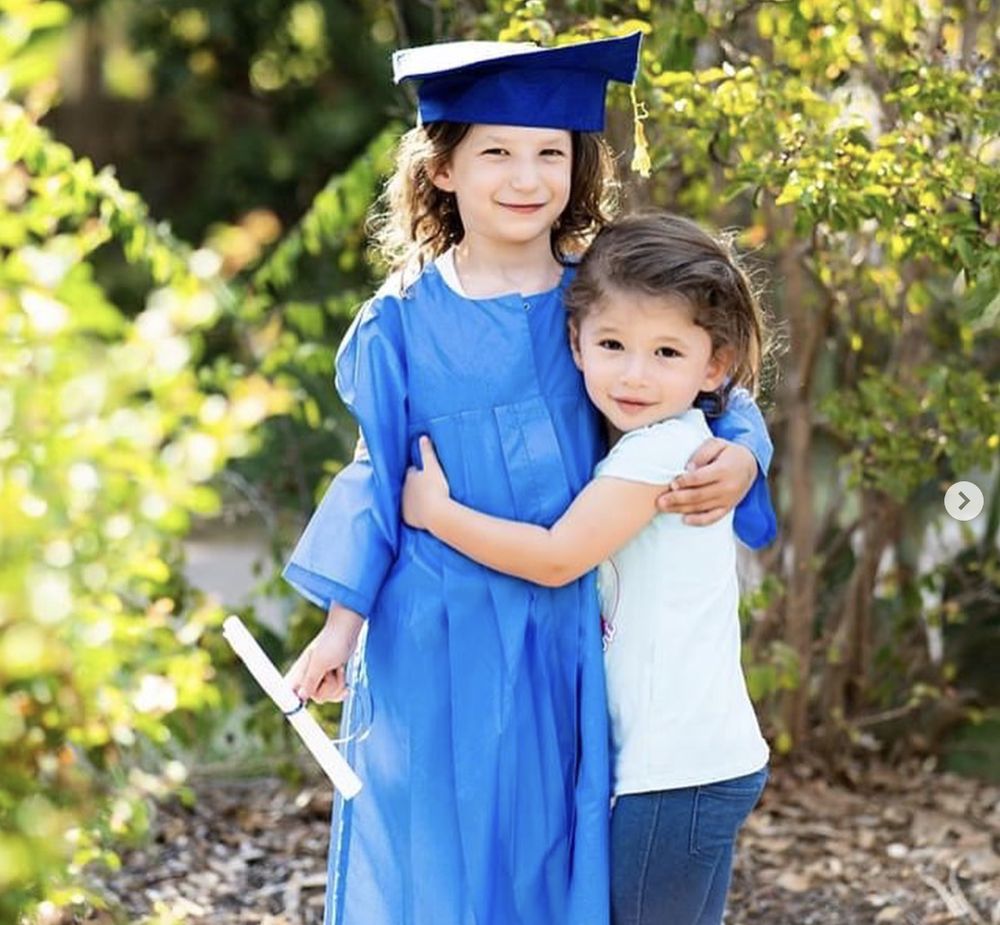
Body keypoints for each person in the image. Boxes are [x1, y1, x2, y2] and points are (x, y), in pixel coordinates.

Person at [282, 32, 775, 925]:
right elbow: (373, 476)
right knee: (436, 853)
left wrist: (746, 450)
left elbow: (702, 385)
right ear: (441, 169)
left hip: (560, 627)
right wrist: (339, 628)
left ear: (577, 166)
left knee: (546, 860)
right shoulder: (397, 324)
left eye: (550, 152)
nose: (526, 176)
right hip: (434, 628)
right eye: (496, 151)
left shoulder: (601, 298)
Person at [402, 211, 772, 925]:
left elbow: (557, 557)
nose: (635, 374)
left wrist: (436, 512)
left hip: (678, 770)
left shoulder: (660, 452)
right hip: (693, 760)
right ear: (576, 342)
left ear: (713, 365)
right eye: (612, 344)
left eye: (668, 352)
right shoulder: (646, 438)